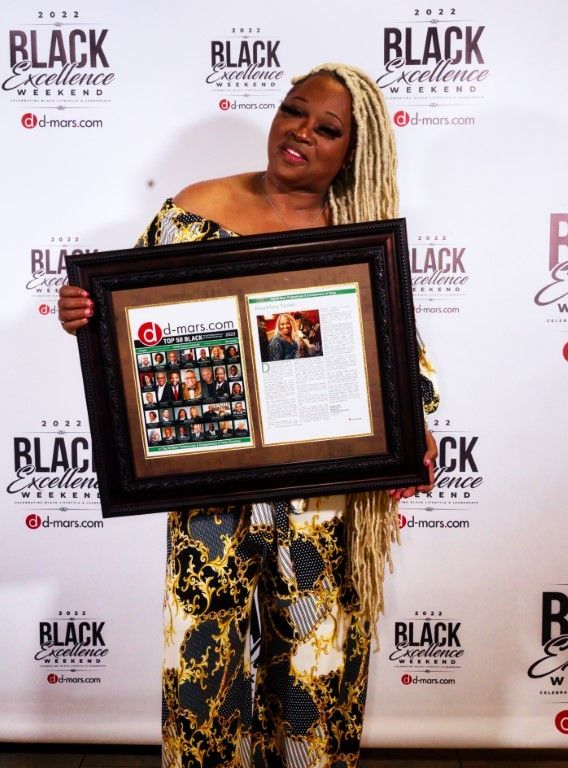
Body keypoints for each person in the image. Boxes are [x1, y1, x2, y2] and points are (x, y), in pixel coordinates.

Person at [58, 63, 439, 768]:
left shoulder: (355, 237)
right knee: (204, 677)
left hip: (323, 498)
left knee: (313, 681)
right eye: (294, 111)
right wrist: (83, 312)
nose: (302, 132)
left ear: (353, 151)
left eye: (328, 129)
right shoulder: (196, 207)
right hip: (210, 489)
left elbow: (396, 359)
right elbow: (129, 317)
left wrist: (414, 429)